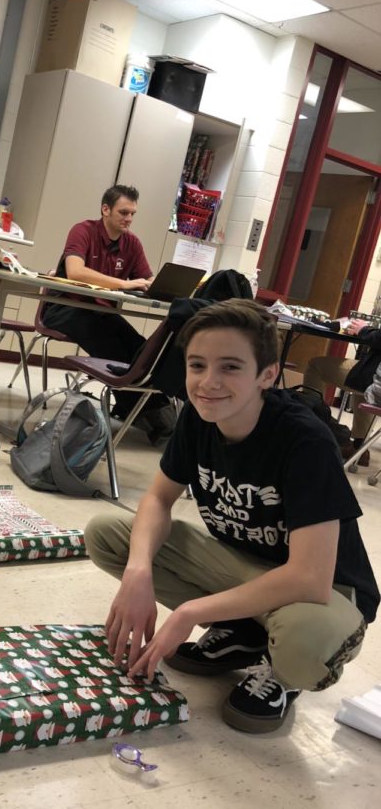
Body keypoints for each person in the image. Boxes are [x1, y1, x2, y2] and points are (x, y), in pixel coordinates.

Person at [85, 299, 378, 734]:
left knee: (305, 638)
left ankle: (280, 672)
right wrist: (138, 572)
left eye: (230, 367)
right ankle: (243, 633)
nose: (208, 383)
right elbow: (157, 501)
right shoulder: (200, 418)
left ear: (267, 375)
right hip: (250, 567)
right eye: (197, 365)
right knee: (109, 534)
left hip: (324, 591)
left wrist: (188, 613)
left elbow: (308, 579)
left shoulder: (304, 440)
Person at [41, 184, 170, 434]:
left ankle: (148, 409)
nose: (129, 219)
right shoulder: (83, 231)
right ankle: (150, 415)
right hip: (64, 307)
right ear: (105, 210)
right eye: (123, 212)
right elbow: (75, 271)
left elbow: (147, 278)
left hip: (102, 313)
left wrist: (158, 284)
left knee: (139, 347)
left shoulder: (132, 243)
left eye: (133, 214)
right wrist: (123, 283)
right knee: (112, 350)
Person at [303, 315, 381, 465]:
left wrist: (363, 329)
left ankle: (311, 428)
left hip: (376, 382)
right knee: (360, 385)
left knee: (316, 366)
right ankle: (360, 448)